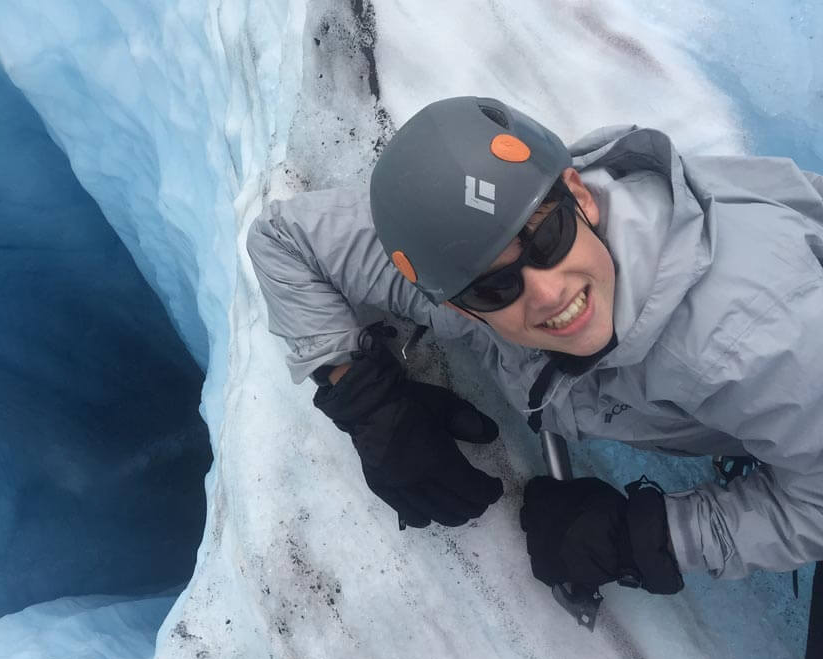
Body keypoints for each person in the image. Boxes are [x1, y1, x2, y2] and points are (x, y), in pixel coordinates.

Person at [247, 95, 823, 599]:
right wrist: (367, 400)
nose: (546, 292)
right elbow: (284, 240)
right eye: (495, 285)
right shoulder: (461, 242)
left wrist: (644, 538)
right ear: (451, 303)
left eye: (548, 238)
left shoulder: (744, 344)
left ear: (581, 195)